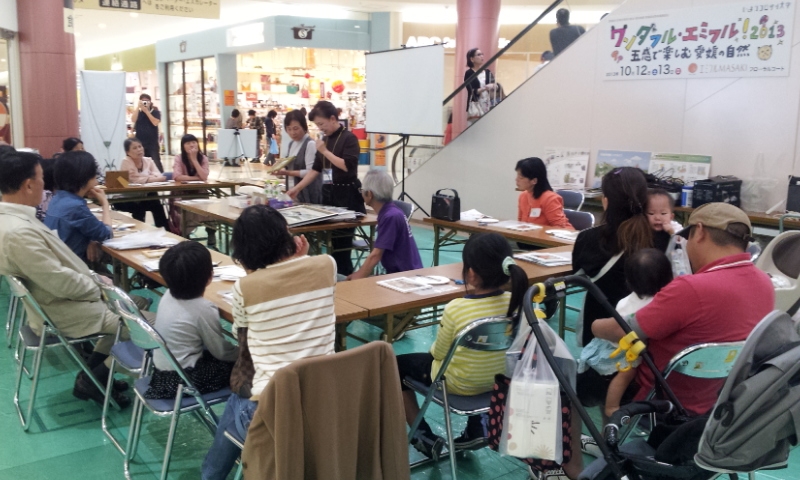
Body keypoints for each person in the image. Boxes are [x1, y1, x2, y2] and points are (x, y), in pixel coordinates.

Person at [0, 148, 151, 409]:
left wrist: (95, 279)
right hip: (64, 310)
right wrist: (99, 288)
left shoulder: (16, 220)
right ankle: (95, 377)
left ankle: (93, 378)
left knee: (133, 303)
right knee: (153, 328)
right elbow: (61, 282)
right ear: (28, 185)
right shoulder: (17, 233)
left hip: (60, 301)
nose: (45, 185)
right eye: (41, 178)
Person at [590, 203, 775, 415]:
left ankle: (607, 432)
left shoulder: (691, 288)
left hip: (659, 399)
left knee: (578, 377)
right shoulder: (765, 283)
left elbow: (623, 330)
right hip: (717, 403)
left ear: (700, 232)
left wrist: (594, 326)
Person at [201, 204, 337, 480]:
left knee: (239, 398)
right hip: (323, 401)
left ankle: (210, 476)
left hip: (272, 410)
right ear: (287, 236)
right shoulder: (327, 265)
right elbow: (296, 282)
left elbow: (243, 337)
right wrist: (298, 259)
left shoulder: (244, 288)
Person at [396, 233, 527, 459]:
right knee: (479, 360)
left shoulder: (456, 308)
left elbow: (438, 353)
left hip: (458, 385)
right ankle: (477, 427)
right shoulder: (517, 303)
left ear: (471, 274)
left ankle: (422, 435)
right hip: (500, 381)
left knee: (396, 365)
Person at [577, 248, 673, 418]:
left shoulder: (626, 300)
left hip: (607, 343)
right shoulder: (655, 304)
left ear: (629, 281)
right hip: (622, 349)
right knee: (626, 374)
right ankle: (611, 406)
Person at [143, 242, 238, 399]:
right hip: (185, 381)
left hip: (162, 374)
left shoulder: (168, 294)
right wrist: (244, 353)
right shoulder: (203, 309)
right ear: (210, 276)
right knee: (245, 365)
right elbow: (221, 352)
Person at [573, 167, 653, 347]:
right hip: (644, 334)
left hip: (599, 330)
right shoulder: (663, 238)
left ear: (606, 201)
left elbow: (578, 275)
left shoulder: (588, 239)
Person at [286, 100, 366, 276]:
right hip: (329, 196)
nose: (320, 128)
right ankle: (332, 277)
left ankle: (345, 279)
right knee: (330, 244)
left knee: (342, 247)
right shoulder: (325, 140)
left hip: (347, 198)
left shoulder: (349, 138)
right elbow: (316, 169)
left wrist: (325, 151)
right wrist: (297, 188)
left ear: (333, 119)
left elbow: (347, 166)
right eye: (317, 125)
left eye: (322, 124)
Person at [347, 170, 422, 280]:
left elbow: (376, 255)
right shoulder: (390, 212)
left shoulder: (390, 216)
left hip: (406, 277)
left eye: (362, 190)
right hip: (402, 274)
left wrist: (357, 277)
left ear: (369, 194)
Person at [44, 151, 113, 266]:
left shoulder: (57, 198)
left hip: (58, 262)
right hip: (74, 268)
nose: (97, 181)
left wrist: (90, 240)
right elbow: (106, 234)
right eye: (94, 175)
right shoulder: (76, 206)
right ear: (85, 177)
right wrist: (105, 203)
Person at [169, 134, 216, 248]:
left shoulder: (203, 158)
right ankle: (186, 235)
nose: (191, 145)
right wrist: (196, 178)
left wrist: (194, 160)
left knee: (210, 209)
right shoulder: (179, 158)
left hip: (200, 193)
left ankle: (211, 234)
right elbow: (177, 176)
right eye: (188, 143)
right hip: (183, 193)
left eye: (193, 142)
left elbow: (204, 176)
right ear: (183, 146)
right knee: (185, 210)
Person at [117, 138, 169, 229]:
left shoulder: (148, 160)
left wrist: (145, 178)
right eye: (134, 148)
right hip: (127, 198)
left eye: (140, 146)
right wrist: (151, 178)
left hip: (145, 195)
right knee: (141, 206)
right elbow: (134, 179)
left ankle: (164, 230)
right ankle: (140, 230)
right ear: (127, 152)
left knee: (156, 202)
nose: (139, 149)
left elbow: (158, 175)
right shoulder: (126, 162)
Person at [274, 109, 322, 204]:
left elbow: (311, 172)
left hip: (307, 193)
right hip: (292, 191)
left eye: (296, 128)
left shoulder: (310, 144)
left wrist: (287, 172)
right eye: (289, 129)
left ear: (304, 127)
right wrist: (278, 167)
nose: (292, 132)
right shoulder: (291, 144)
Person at [516, 157, 573, 228]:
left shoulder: (550, 199)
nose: (516, 179)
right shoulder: (523, 196)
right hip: (530, 234)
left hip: (553, 234)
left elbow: (560, 227)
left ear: (534, 181)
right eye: (517, 175)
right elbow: (520, 223)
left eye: (521, 177)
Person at [464, 48, 498, 125]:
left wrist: (494, 86)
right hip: (476, 105)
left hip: (488, 104)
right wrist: (485, 88)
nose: (482, 56)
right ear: (472, 59)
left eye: (482, 54)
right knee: (475, 127)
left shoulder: (487, 72)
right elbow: (471, 91)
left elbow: (495, 85)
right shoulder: (469, 73)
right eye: (479, 55)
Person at [132, 93, 163, 172]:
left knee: (156, 161)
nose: (145, 103)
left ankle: (160, 175)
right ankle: (144, 175)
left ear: (150, 102)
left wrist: (147, 112)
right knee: (142, 161)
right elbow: (133, 119)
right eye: (143, 101)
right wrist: (138, 107)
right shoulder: (138, 113)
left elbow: (155, 122)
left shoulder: (155, 112)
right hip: (140, 142)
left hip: (152, 142)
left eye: (146, 101)